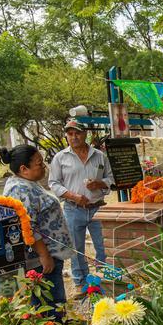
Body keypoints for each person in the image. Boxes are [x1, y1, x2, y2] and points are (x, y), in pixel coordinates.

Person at [1, 145, 71, 318]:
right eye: (39, 163)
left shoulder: (29, 183)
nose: (44, 167)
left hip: (50, 253)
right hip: (42, 258)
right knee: (50, 305)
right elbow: (28, 227)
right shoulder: (20, 190)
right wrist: (44, 256)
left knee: (53, 302)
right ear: (24, 169)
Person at [48, 120, 113, 291]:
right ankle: (80, 283)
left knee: (102, 246)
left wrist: (100, 183)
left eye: (77, 133)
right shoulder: (60, 158)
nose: (74, 137)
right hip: (73, 209)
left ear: (85, 134)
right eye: (70, 133)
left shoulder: (99, 156)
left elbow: (112, 179)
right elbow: (53, 183)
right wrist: (73, 196)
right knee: (76, 249)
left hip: (98, 208)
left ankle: (103, 280)